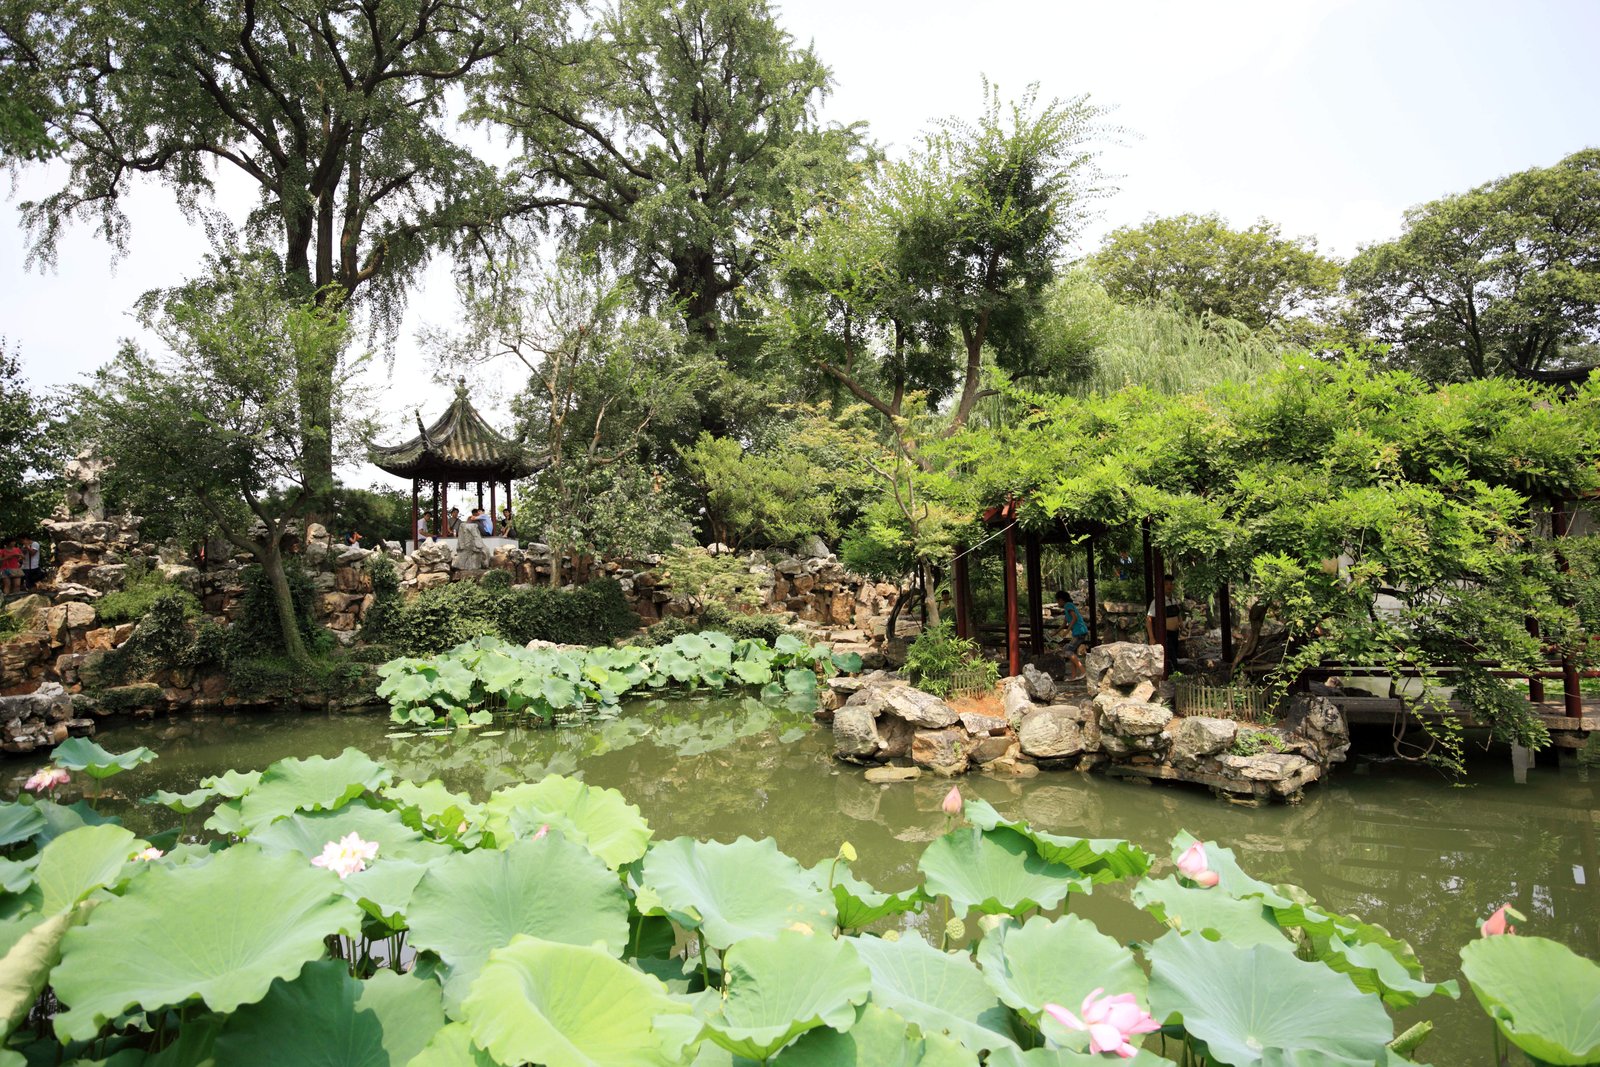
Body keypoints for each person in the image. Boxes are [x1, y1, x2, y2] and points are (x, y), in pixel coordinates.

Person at [1146, 574, 1183, 671]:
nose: (1169, 586)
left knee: (1175, 653)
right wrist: (1151, 638)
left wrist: (1181, 624)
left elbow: (1178, 613)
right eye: (1166, 584)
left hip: (1175, 633)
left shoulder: (1174, 600)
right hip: (1166, 634)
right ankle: (1174, 675)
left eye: (1171, 584)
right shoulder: (1157, 601)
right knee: (1171, 656)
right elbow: (1149, 619)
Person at [1055, 590, 1089, 681]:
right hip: (1078, 632)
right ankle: (1073, 676)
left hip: (1079, 632)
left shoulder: (1068, 605)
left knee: (1067, 650)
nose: (1057, 603)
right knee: (1070, 652)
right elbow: (1064, 624)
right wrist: (1054, 633)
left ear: (1061, 600)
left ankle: (1083, 671)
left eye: (1058, 601)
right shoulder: (1067, 607)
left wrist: (1067, 631)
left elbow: (1074, 618)